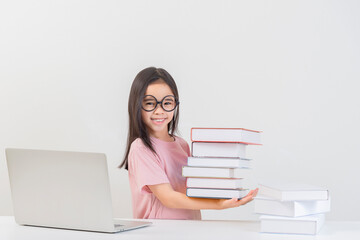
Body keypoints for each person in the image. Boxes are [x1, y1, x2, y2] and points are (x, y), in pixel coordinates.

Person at [119, 67, 258, 219]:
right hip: (157, 232)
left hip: (190, 228)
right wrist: (219, 205)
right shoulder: (141, 148)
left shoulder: (182, 145)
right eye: (150, 103)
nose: (160, 111)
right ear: (137, 105)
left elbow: (195, 190)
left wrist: (228, 195)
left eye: (167, 102)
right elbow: (168, 198)